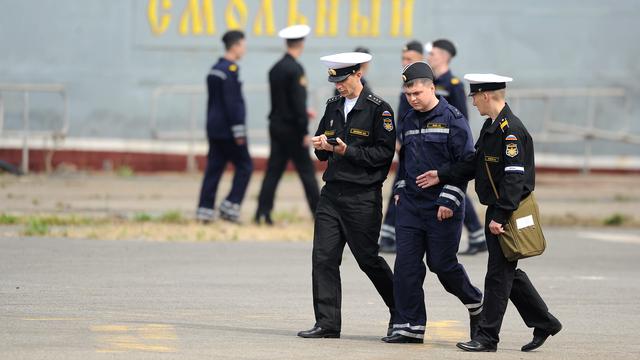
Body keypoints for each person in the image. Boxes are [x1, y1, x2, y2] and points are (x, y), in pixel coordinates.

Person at [418, 74, 562, 352]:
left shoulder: (511, 132)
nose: (472, 102)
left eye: (475, 96)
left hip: (507, 210)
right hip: (497, 208)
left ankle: (487, 337)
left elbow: (513, 179)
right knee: (507, 271)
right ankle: (544, 321)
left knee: (498, 275)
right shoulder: (491, 127)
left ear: (486, 95)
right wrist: (441, 174)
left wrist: (500, 216)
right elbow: (474, 164)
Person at [381, 62, 483, 344]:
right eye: (408, 94)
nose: (412, 99)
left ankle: (477, 305)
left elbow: (465, 165)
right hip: (411, 206)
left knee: (442, 265)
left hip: (442, 207)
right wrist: (400, 189)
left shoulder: (453, 119)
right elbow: (404, 162)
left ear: (431, 87)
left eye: (417, 93)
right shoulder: (408, 120)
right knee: (406, 266)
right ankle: (409, 326)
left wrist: (449, 199)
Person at [297, 52, 397, 339]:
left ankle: (402, 311)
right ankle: (327, 323)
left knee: (368, 260)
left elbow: (383, 154)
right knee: (323, 258)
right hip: (331, 195)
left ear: (358, 74)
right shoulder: (332, 106)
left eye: (342, 80)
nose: (338, 86)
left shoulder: (380, 110)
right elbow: (322, 146)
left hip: (362, 197)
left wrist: (346, 151)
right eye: (335, 81)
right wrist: (319, 146)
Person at [255, 25, 320, 225]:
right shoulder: (296, 69)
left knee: (273, 171)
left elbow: (282, 100)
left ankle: (262, 212)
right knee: (307, 172)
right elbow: (298, 102)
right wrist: (304, 130)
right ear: (301, 43)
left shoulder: (275, 68)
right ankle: (318, 214)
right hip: (293, 129)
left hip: (276, 126)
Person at [427, 39, 487, 255]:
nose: (429, 57)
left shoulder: (453, 84)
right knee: (452, 190)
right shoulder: (431, 82)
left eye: (433, 53)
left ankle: (477, 235)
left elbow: (462, 118)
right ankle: (477, 236)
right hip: (435, 147)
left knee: (455, 189)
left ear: (444, 56)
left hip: (450, 147)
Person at [196, 30, 252, 223]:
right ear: (235, 46)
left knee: (214, 168)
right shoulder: (230, 70)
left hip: (214, 129)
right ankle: (231, 206)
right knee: (245, 166)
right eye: (243, 45)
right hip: (229, 131)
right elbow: (233, 102)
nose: (244, 49)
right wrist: (239, 130)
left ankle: (204, 210)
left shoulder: (215, 68)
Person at [379, 40, 425, 253]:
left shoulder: (427, 84)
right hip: (406, 145)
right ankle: (389, 235)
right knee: (400, 187)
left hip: (423, 149)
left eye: (409, 59)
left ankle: (396, 235)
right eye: (403, 59)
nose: (404, 62)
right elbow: (403, 117)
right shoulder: (406, 83)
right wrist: (397, 138)